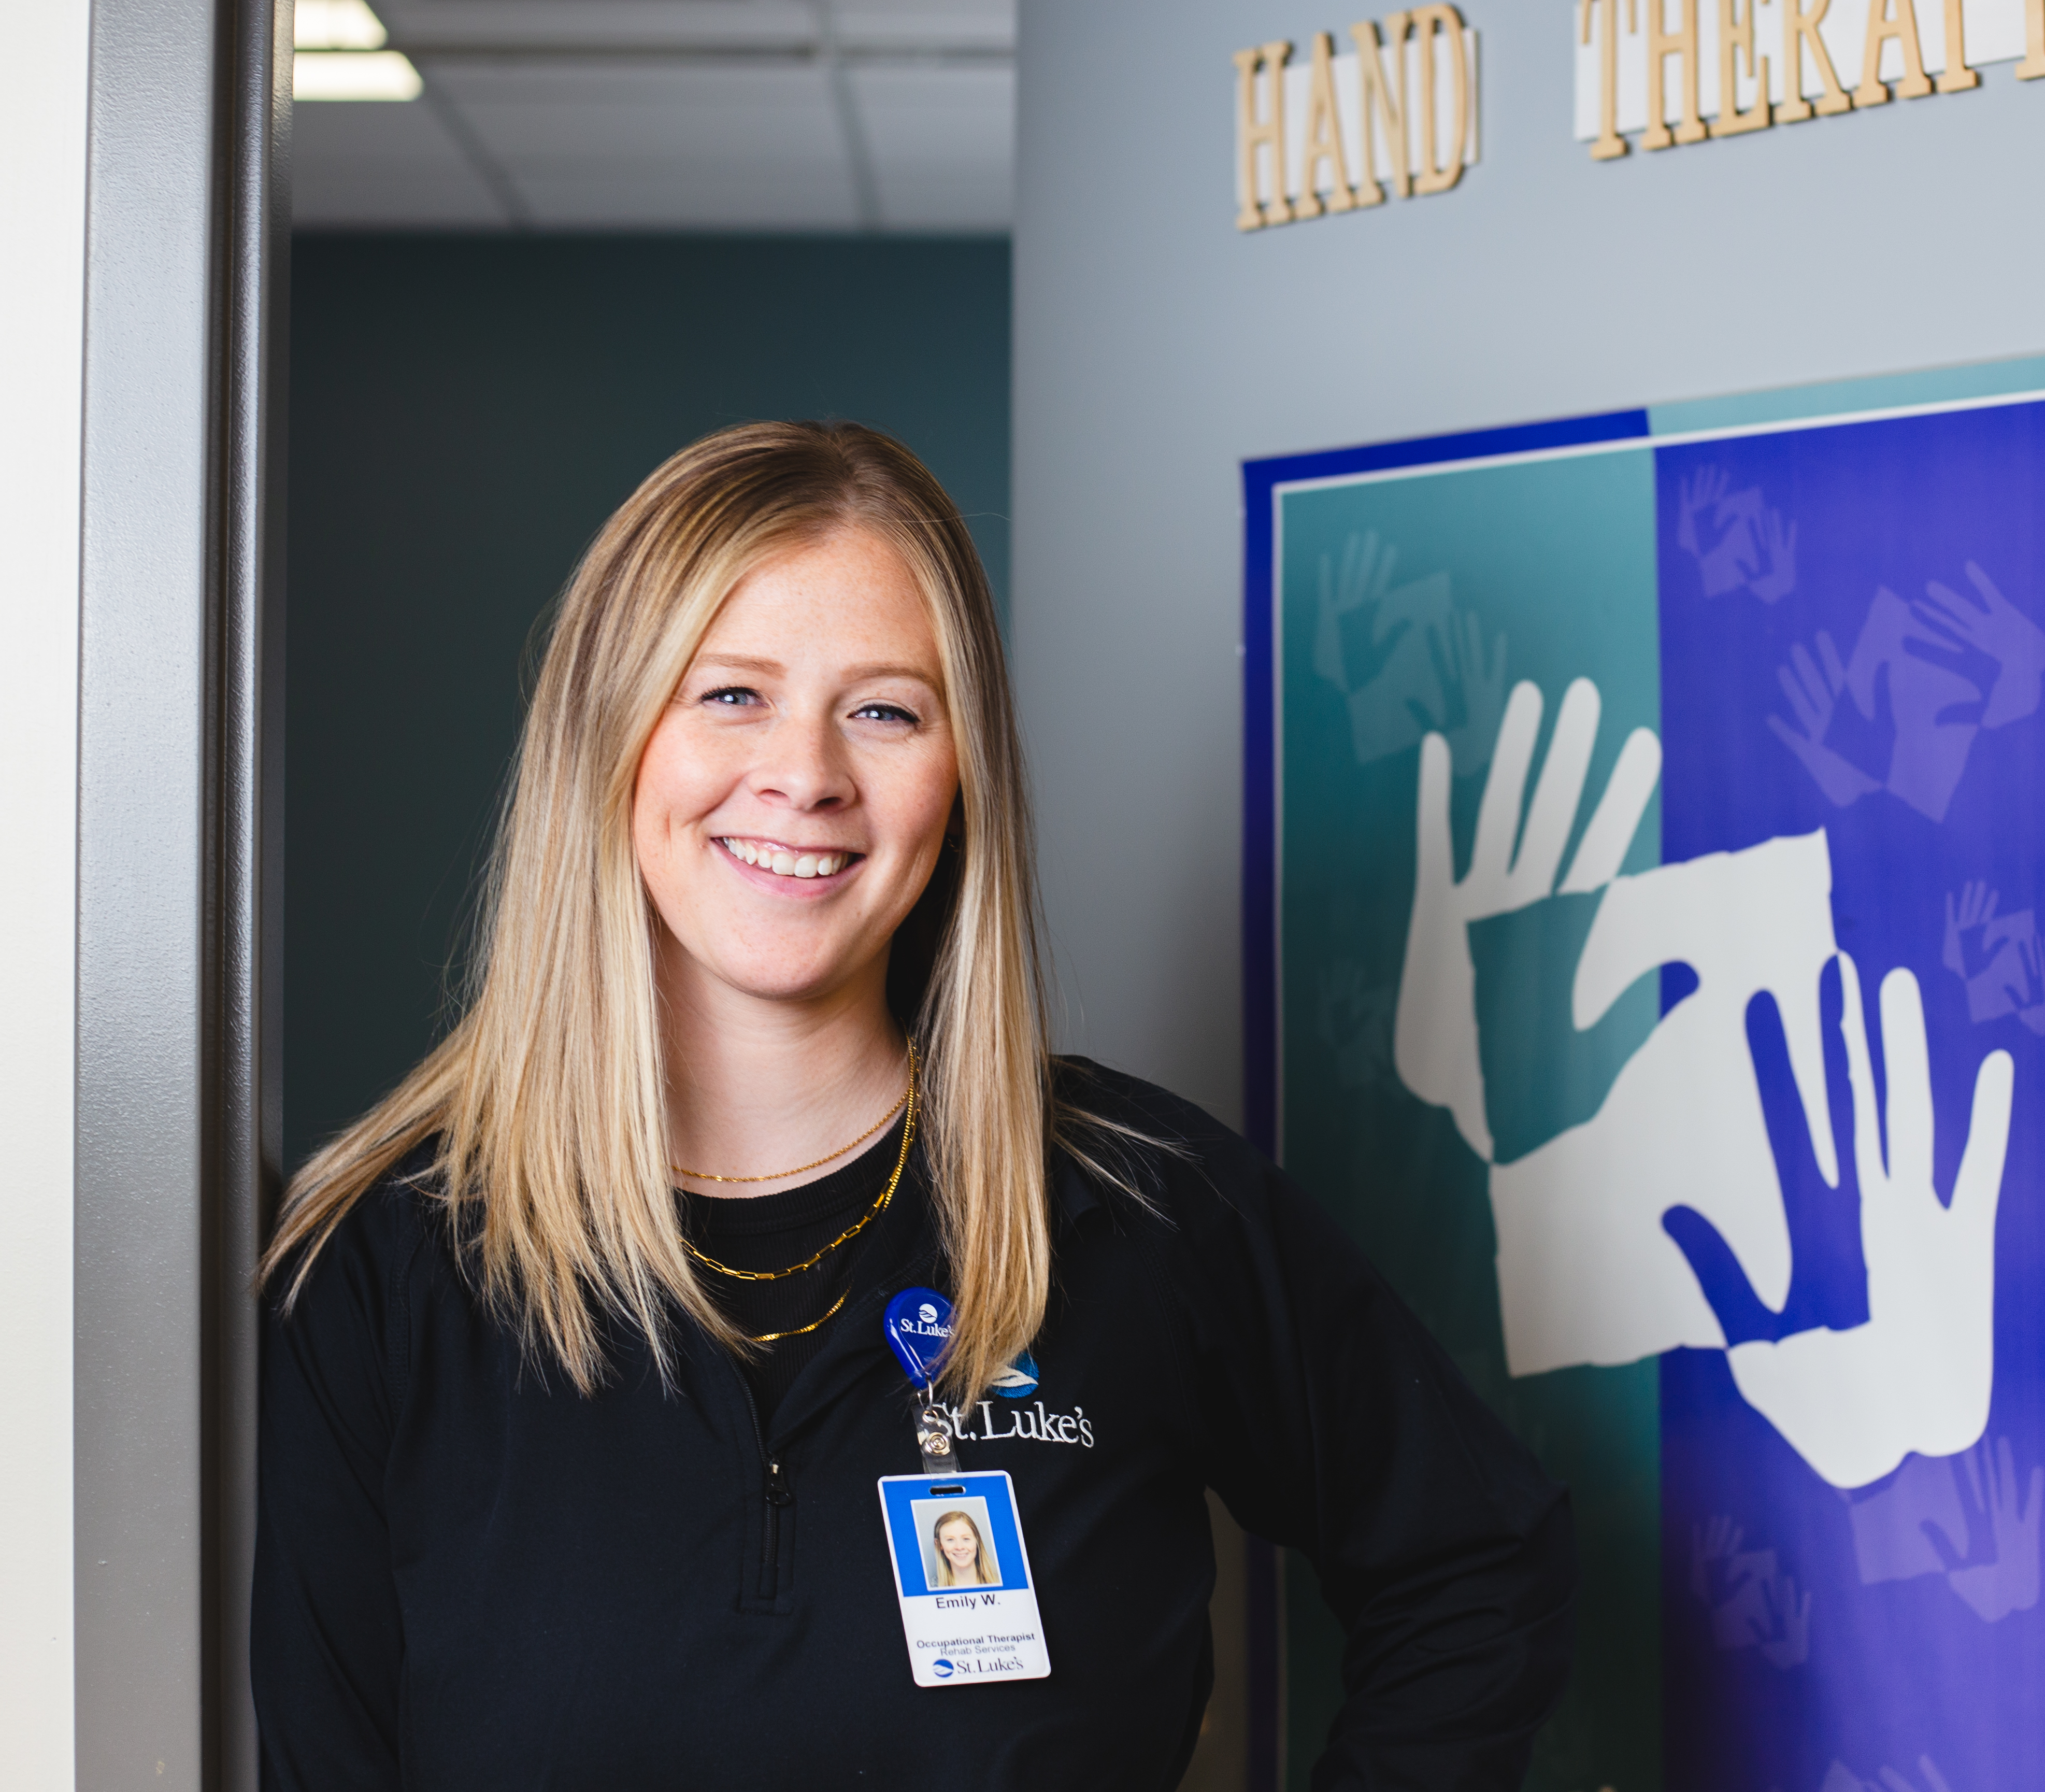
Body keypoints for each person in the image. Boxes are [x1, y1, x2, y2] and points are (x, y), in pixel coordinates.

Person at [250, 421, 1577, 1789]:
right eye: (729, 694)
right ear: (609, 736)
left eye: (883, 708)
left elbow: (1477, 1560)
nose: (806, 773)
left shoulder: (1139, 1207)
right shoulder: (377, 1269)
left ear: (963, 774)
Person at [927, 1509, 999, 1588]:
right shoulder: (932, 1588)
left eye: (966, 1539)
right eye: (950, 1540)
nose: (959, 1547)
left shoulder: (1001, 1582)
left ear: (977, 1540)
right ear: (939, 1545)